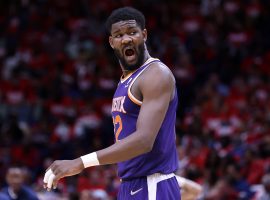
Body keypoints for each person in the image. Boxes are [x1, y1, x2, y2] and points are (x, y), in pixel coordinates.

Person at [43, 6, 180, 199]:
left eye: (132, 32)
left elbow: (144, 141)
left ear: (144, 34)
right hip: (131, 184)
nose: (126, 39)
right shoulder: (126, 80)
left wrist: (80, 162)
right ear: (111, 42)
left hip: (151, 184)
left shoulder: (156, 74)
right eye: (119, 35)